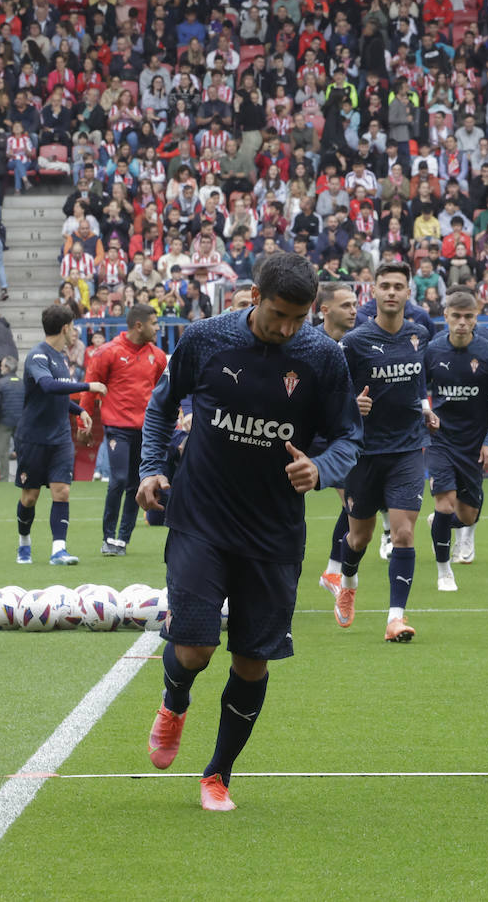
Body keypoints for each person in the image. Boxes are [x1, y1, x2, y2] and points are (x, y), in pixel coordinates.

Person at [137, 252, 360, 812]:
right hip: (201, 518)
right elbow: (162, 406)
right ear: (255, 296)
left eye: (299, 318)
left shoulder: (324, 358)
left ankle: (218, 774)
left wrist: (322, 469)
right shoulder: (206, 339)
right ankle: (174, 699)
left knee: (251, 661)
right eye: (279, 315)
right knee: (194, 647)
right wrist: (151, 468)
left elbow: (348, 439)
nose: (287, 329)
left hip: (273, 533)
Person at [335, 262, 436, 642]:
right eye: (385, 286)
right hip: (364, 451)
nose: (392, 292)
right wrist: (351, 406)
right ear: (373, 292)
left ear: (409, 293)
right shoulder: (354, 342)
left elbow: (417, 384)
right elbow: (334, 393)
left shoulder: (419, 335)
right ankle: (347, 582)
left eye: (399, 286)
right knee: (358, 537)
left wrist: (426, 408)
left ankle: (396, 618)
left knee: (404, 533)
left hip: (409, 448)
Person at [424, 289, 488, 592]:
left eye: (468, 317)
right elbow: (419, 390)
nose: (461, 322)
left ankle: (439, 523)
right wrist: (424, 413)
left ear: (477, 317)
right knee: (446, 505)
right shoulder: (432, 350)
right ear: (445, 316)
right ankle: (444, 570)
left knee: (467, 514)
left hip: (474, 443)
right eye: (456, 316)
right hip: (440, 439)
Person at [14, 304, 106, 566]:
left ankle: (59, 550)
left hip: (60, 437)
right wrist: (89, 385)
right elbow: (48, 386)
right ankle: (24, 542)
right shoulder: (38, 356)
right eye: (73, 326)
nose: (74, 331)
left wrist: (78, 411)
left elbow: (59, 395)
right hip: (33, 437)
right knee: (29, 497)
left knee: (62, 491)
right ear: (65, 328)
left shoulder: (61, 357)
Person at [78, 303, 168, 556]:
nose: (158, 328)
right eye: (154, 323)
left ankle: (122, 540)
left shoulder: (158, 356)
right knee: (117, 480)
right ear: (139, 325)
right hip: (117, 428)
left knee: (134, 484)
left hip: (146, 430)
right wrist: (83, 421)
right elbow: (91, 386)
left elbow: (166, 393)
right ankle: (108, 537)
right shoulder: (107, 352)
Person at [312, 282, 360, 598]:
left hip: (338, 439)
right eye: (346, 305)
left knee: (355, 504)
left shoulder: (356, 345)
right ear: (325, 310)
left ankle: (332, 569)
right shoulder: (309, 343)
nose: (354, 310)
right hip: (304, 437)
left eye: (355, 304)